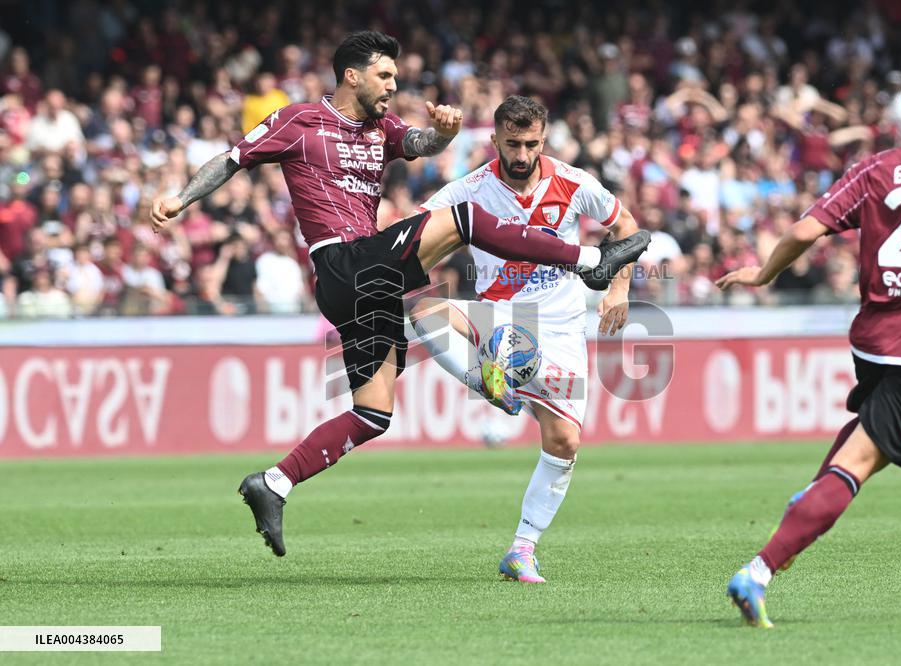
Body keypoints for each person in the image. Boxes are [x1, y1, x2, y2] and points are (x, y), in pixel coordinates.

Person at [149, 31, 650, 557]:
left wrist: (442, 134)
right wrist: (181, 199)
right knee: (464, 220)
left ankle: (274, 482)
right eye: (385, 75)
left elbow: (418, 146)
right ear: (352, 75)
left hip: (364, 283)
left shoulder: (380, 128)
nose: (393, 85)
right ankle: (590, 264)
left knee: (373, 413)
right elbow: (232, 159)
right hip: (343, 260)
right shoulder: (299, 122)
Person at [716, 59, 901, 628]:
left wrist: (762, 274)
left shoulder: (877, 168)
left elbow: (802, 231)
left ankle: (807, 507)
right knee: (860, 463)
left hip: (874, 340)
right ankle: (760, 569)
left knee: (858, 447)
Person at [409, 95, 641, 583]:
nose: (520, 154)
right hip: (498, 316)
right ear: (494, 139)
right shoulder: (468, 190)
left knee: (566, 440)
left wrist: (618, 289)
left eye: (530, 143)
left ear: (544, 139)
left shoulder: (575, 183)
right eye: (511, 143)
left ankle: (522, 548)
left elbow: (625, 225)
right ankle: (491, 383)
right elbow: (415, 231)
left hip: (560, 328)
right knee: (424, 309)